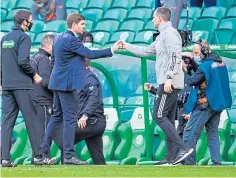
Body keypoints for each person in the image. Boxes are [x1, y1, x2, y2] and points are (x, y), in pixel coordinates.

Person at [44, 12, 121, 165]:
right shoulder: (71, 39)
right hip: (66, 84)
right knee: (70, 118)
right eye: (82, 24)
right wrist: (111, 50)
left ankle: (42, 151)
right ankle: (68, 155)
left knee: (56, 116)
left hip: (58, 83)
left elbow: (54, 61)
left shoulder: (59, 37)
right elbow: (88, 53)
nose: (84, 27)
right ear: (74, 24)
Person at [121, 7, 193, 165]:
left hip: (169, 83)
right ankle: (171, 157)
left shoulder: (171, 34)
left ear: (160, 18)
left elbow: (175, 56)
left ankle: (182, 148)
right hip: (168, 82)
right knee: (167, 118)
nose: (152, 20)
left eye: (154, 18)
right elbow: (147, 51)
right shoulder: (162, 36)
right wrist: (127, 46)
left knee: (158, 116)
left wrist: (168, 78)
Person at [1, 10, 53, 167]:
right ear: (24, 22)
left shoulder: (5, 38)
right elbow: (23, 61)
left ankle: (4, 159)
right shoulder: (24, 37)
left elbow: (1, 63)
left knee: (7, 122)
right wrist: (35, 75)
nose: (32, 22)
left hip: (8, 86)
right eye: (30, 20)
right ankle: (38, 157)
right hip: (22, 85)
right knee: (31, 120)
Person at [173, 40, 232, 165]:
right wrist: (194, 63)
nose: (195, 56)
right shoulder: (220, 62)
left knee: (189, 133)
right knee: (212, 134)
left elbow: (193, 80)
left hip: (204, 105)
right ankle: (217, 163)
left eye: (196, 53)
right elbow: (204, 74)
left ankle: (190, 163)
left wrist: (185, 67)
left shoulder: (205, 66)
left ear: (204, 52)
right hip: (217, 104)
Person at [44, 58, 107, 165]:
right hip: (90, 122)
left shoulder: (90, 78)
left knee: (62, 133)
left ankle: (69, 159)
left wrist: (85, 115)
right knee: (98, 158)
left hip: (92, 121)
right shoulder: (79, 78)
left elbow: (94, 98)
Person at [30, 34, 54, 159]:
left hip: (34, 100)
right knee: (44, 132)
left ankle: (38, 158)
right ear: (49, 46)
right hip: (43, 101)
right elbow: (46, 81)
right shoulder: (43, 59)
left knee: (39, 132)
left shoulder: (35, 57)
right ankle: (43, 158)